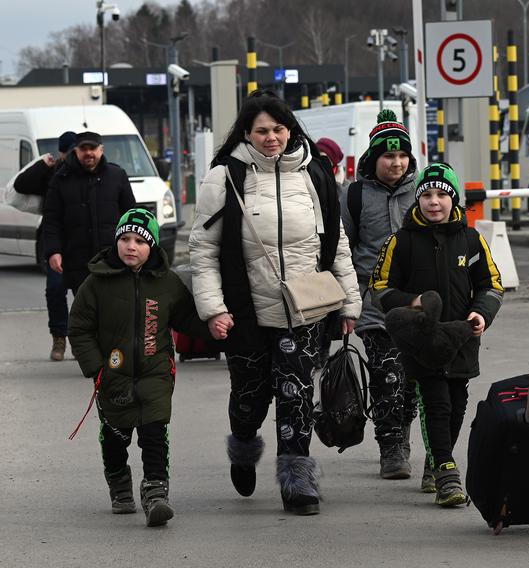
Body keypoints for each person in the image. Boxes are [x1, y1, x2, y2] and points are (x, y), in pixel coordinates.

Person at [189, 90, 361, 516]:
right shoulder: (224, 177)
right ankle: (244, 447)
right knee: (249, 399)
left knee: (296, 394)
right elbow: (203, 250)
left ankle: (297, 478)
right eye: (262, 130)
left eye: (279, 129)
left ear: (291, 129)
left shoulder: (316, 173)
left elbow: (336, 243)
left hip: (304, 311)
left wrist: (349, 304)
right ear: (246, 133)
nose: (272, 138)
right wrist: (214, 310)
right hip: (245, 313)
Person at [370, 163, 504, 507]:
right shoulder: (400, 241)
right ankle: (447, 473)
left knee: (457, 403)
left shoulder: (471, 238)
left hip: (461, 337)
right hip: (422, 340)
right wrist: (411, 302)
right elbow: (380, 287)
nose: (434, 202)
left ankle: (435, 460)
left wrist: (481, 313)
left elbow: (492, 285)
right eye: (426, 195)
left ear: (453, 199)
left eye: (442, 195)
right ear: (417, 200)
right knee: (436, 404)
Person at [68, 208, 207, 527]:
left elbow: (186, 318)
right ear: (116, 241)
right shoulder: (97, 283)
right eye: (125, 239)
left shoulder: (167, 283)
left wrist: (215, 327)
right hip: (112, 375)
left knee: (154, 433)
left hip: (155, 372)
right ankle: (119, 484)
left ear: (153, 247)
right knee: (116, 437)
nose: (131, 246)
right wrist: (95, 368)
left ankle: (156, 493)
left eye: (140, 241)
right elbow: (79, 327)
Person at [340, 110, 420, 483]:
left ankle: (402, 433)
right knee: (386, 376)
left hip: (419, 307)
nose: (397, 163)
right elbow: (343, 249)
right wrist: (345, 302)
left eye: (402, 156)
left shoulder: (423, 193)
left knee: (412, 381)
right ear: (374, 159)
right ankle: (390, 447)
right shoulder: (354, 196)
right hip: (374, 308)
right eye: (389, 156)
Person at [10, 131, 77, 361]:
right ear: (62, 152)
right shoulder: (51, 173)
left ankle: (81, 340)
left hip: (81, 244)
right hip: (56, 242)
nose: (74, 156)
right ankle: (59, 338)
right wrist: (42, 165)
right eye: (70, 152)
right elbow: (20, 185)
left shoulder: (87, 174)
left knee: (86, 295)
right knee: (55, 291)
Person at [43, 131, 136, 294]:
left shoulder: (117, 176)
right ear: (76, 151)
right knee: (86, 311)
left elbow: (131, 215)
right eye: (83, 149)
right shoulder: (61, 179)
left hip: (112, 258)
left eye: (92, 148)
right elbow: (51, 220)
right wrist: (53, 251)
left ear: (101, 150)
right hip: (77, 260)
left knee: (112, 308)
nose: (88, 153)